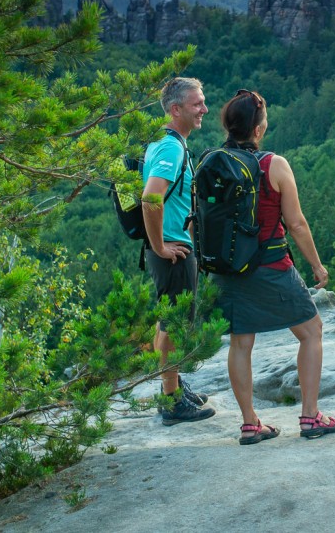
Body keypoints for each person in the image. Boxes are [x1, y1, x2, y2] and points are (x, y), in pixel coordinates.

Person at [212, 89, 335, 445]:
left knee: (241, 343)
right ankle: (310, 416)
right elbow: (297, 224)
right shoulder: (274, 164)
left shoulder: (212, 163)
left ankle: (250, 423)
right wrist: (317, 266)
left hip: (227, 269)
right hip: (271, 265)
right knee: (311, 331)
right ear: (258, 130)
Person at [142, 77, 216, 426]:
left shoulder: (163, 142)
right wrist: (160, 244)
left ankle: (172, 385)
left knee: (166, 320)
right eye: (196, 104)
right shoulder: (171, 148)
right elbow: (151, 197)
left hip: (170, 248)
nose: (204, 109)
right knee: (173, 324)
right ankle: (171, 402)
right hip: (172, 251)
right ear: (176, 109)